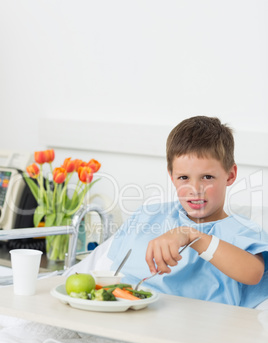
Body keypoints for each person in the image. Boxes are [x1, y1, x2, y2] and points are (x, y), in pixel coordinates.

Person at [66, 116, 268, 308]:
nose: (195, 189)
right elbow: (110, 270)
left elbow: (254, 273)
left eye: (207, 177)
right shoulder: (149, 215)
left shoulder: (241, 231)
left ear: (230, 175)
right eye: (183, 178)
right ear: (171, 176)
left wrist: (192, 235)